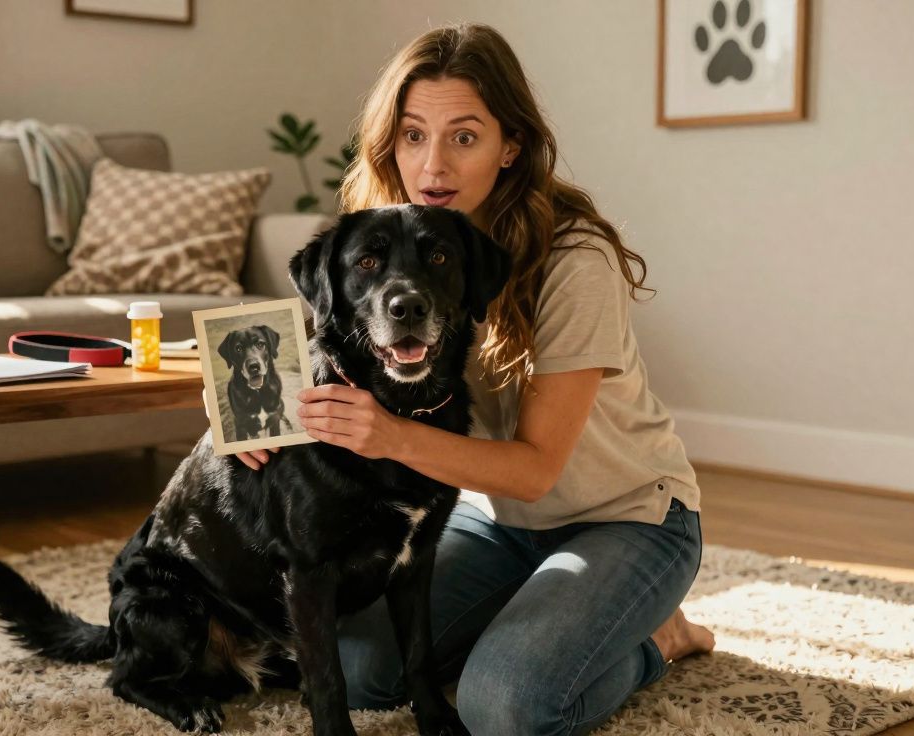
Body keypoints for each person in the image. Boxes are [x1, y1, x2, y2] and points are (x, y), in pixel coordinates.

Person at [236, 23, 715, 736]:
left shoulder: (575, 262)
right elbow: (324, 345)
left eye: (464, 136)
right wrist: (247, 419)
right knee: (366, 673)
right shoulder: (391, 239)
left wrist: (389, 436)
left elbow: (534, 472)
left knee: (505, 707)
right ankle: (547, 619)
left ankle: (654, 639)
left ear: (509, 146)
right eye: (412, 135)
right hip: (497, 522)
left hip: (627, 518)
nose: (433, 165)